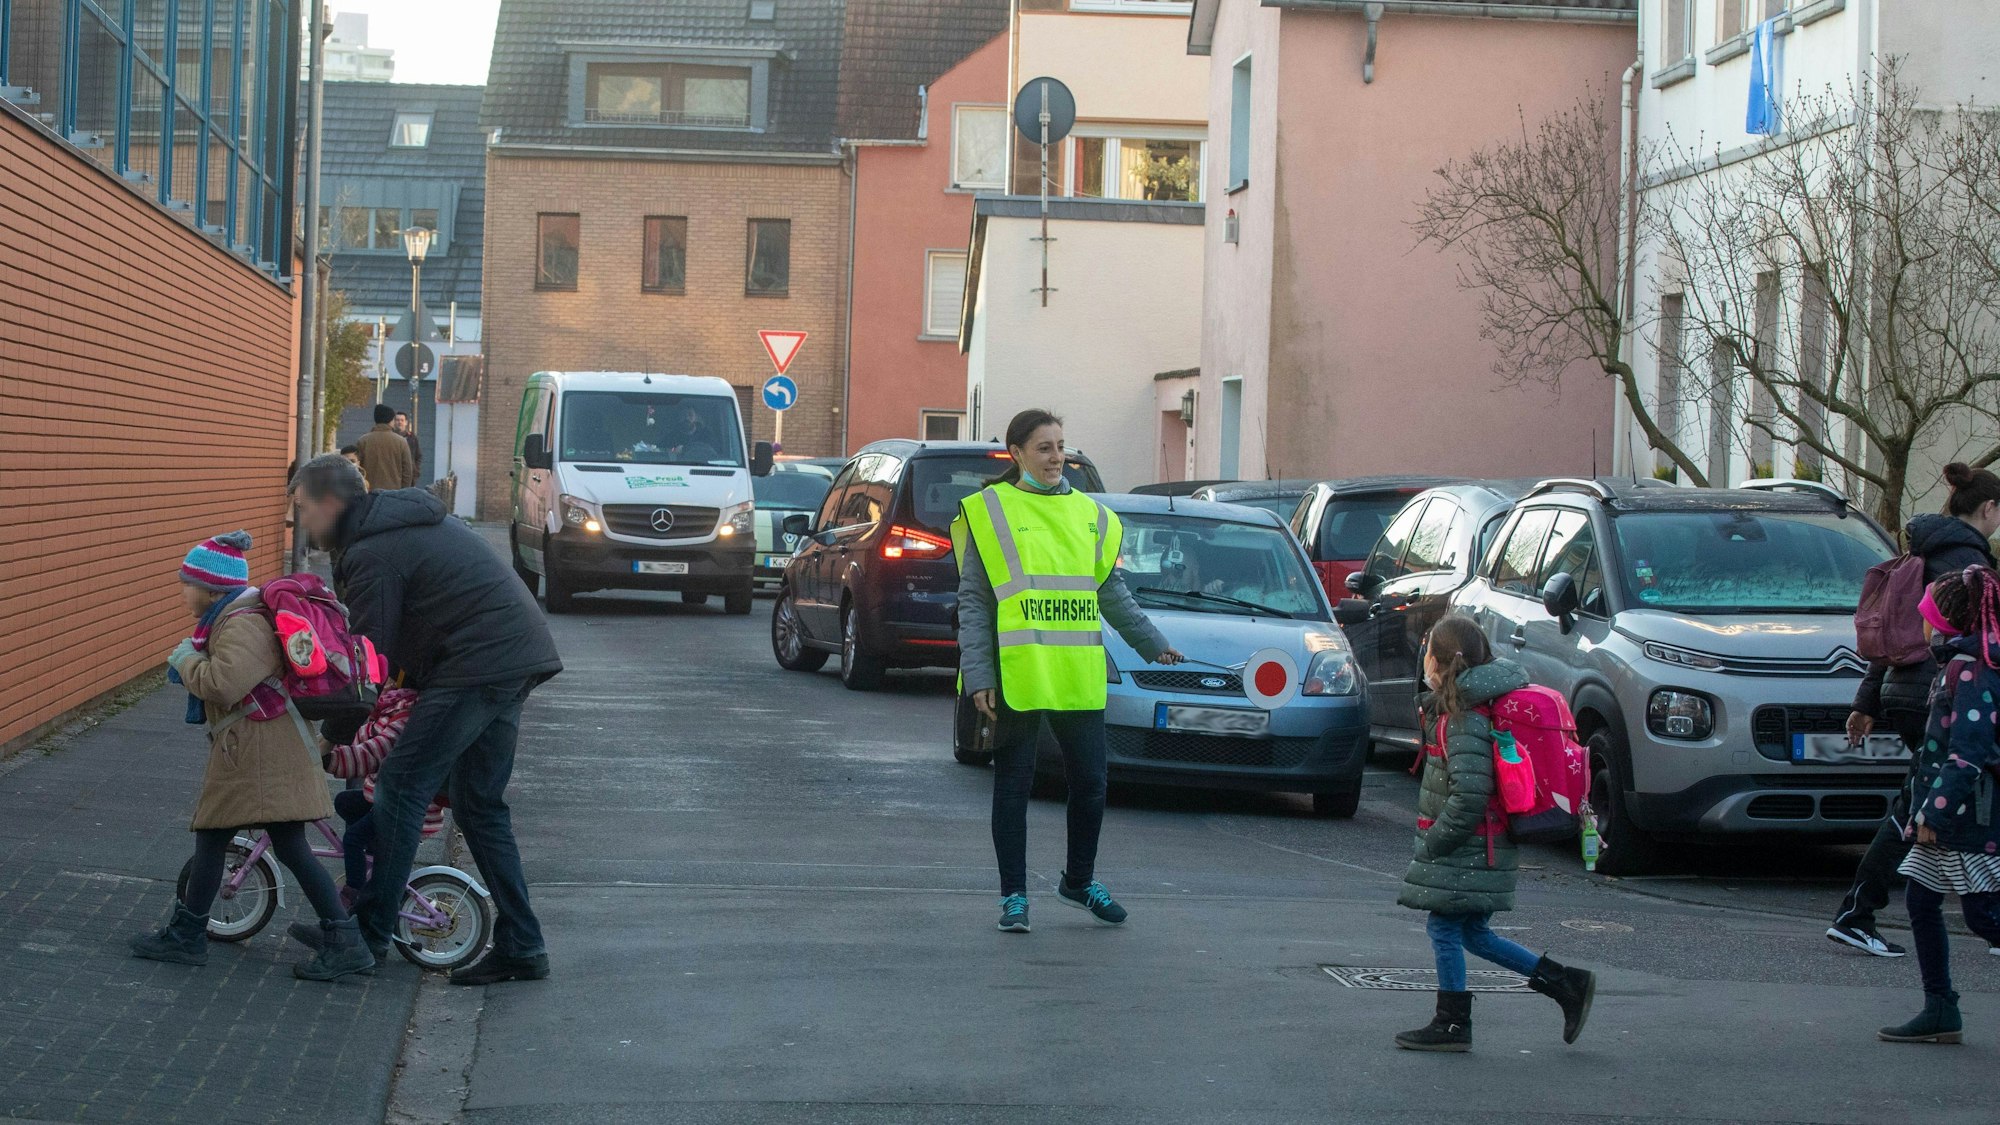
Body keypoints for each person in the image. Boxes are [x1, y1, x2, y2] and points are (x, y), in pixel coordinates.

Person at [288, 454, 563, 985]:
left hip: (478, 662)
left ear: (329, 502)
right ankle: (523, 946)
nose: (302, 523)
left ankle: (364, 940)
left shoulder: (372, 552)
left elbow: (367, 666)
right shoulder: (394, 526)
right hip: (512, 655)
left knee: (400, 787)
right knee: (478, 804)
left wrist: (325, 738)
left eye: (303, 509)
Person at [952, 409, 1185, 934]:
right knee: (1013, 786)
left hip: (1078, 673)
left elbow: (1110, 591)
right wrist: (980, 675)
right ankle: (1014, 897)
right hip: (1020, 671)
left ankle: (1078, 882)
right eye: (1044, 448)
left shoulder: (1094, 516)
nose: (1057, 457)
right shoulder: (989, 511)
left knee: (1093, 784)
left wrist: (1153, 645)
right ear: (1016, 454)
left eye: (1061, 446)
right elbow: (973, 600)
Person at [129, 531, 375, 981]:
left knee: (228, 837)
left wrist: (185, 660)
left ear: (211, 588)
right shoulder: (235, 618)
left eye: (187, 583)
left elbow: (224, 683)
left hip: (259, 752)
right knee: (263, 842)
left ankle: (190, 937)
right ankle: (342, 940)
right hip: (261, 748)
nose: (182, 591)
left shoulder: (242, 623)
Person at [1394, 614, 1596, 1052]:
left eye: (1428, 652)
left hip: (1469, 845)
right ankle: (1566, 984)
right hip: (1486, 843)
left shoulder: (1464, 716)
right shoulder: (1473, 706)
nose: (1424, 661)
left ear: (1443, 662)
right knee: (1472, 933)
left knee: (1444, 929)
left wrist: (1435, 842)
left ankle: (1451, 1024)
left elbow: (1469, 794)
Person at [1830, 462, 2000, 957]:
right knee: (1937, 804)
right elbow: (1974, 638)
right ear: (1988, 508)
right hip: (1945, 696)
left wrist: (1867, 701)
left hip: (1905, 691)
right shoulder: (1967, 561)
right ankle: (1862, 913)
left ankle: (1859, 912)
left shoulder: (1921, 551)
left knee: (1919, 806)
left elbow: (1893, 632)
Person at [1878, 566, 2000, 1043]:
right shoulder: (1960, 663)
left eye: (1926, 617)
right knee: (1922, 900)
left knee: (1984, 915)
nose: (1922, 627)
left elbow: (1967, 756)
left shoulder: (1969, 669)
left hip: (1967, 818)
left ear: (1948, 623)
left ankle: (1940, 1007)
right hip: (1949, 813)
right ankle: (1940, 1008)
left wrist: (1932, 814)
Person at [309, 686, 446, 915]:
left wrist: (329, 761)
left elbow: (373, 752)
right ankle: (370, 860)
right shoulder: (389, 709)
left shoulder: (406, 716)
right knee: (345, 802)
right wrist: (329, 742)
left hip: (406, 805)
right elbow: (362, 739)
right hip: (386, 795)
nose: (384, 682)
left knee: (352, 839)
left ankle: (354, 892)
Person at [355, 403, 415, 491]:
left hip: (369, 492)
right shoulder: (401, 442)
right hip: (393, 494)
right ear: (391, 420)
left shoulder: (363, 441)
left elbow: (357, 469)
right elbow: (407, 472)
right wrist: (403, 492)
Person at [393, 410, 423, 483]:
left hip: (410, 476)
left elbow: (418, 456)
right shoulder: (391, 437)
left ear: (406, 422)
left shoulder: (412, 438)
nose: (399, 422)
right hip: (394, 475)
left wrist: (416, 470)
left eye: (402, 420)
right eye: (397, 420)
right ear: (394, 422)